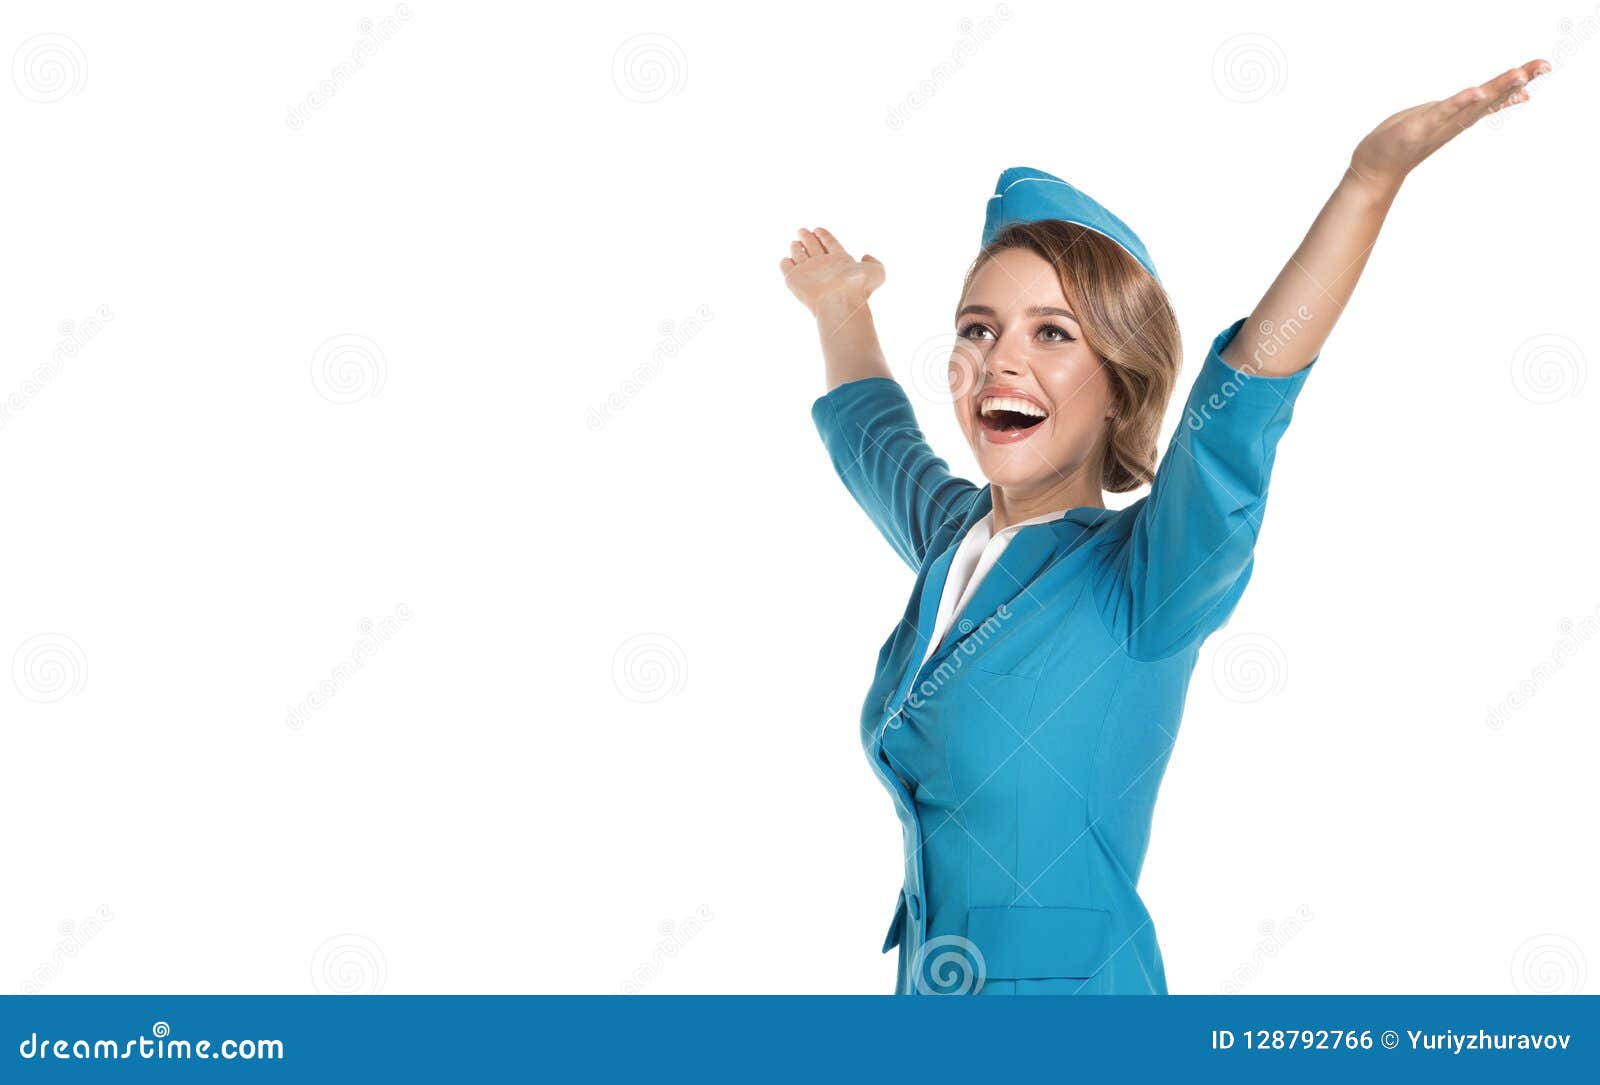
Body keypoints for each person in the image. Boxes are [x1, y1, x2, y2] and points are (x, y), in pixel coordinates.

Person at [781, 59, 1551, 995]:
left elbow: (1236, 414)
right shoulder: (955, 543)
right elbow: (873, 436)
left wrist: (1368, 182)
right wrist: (841, 305)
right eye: (978, 329)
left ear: (1120, 388)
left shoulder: (1146, 580)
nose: (998, 362)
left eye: (1053, 334)